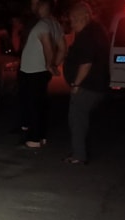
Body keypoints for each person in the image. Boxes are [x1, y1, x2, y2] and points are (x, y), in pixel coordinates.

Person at [62, 2, 110, 165]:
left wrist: (76, 84)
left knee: (77, 118)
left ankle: (78, 155)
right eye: (71, 20)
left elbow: (86, 63)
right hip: (96, 84)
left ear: (85, 17)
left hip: (87, 86)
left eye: (74, 19)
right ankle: (79, 151)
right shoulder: (96, 30)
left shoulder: (88, 35)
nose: (72, 23)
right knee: (80, 118)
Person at [18, 0, 65, 149]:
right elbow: (63, 48)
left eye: (38, 3)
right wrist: (53, 65)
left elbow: (48, 47)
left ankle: (34, 138)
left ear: (44, 6)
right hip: (39, 71)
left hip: (33, 71)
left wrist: (49, 64)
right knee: (40, 103)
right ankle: (41, 135)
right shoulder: (55, 24)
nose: (35, 7)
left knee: (34, 104)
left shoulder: (43, 25)